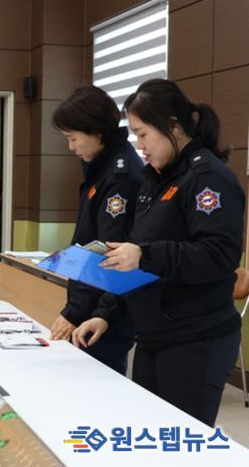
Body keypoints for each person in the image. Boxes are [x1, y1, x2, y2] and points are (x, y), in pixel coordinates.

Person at [73, 79, 244, 427]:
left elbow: (218, 255)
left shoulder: (207, 178)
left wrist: (144, 255)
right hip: (155, 334)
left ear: (173, 126)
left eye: (143, 134)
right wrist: (106, 313)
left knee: (179, 439)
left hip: (197, 336)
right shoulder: (155, 180)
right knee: (150, 433)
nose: (140, 146)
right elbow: (135, 253)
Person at [48, 86, 142, 374]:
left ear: (96, 131)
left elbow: (106, 252)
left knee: (98, 384)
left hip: (105, 309)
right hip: (91, 301)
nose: (71, 147)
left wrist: (74, 312)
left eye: (73, 138)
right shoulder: (99, 166)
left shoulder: (119, 176)